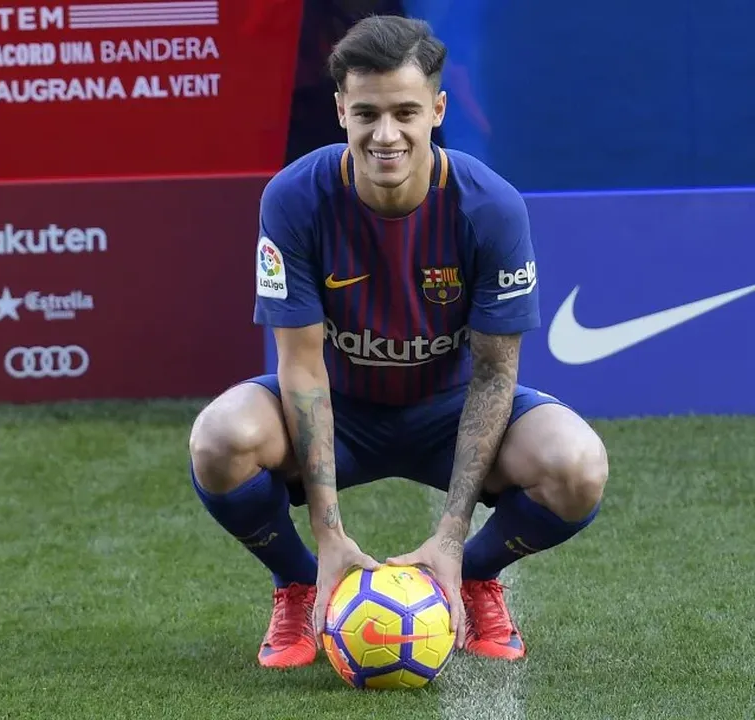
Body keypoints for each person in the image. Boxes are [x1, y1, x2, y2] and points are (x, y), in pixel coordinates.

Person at [188, 15, 608, 669]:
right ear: (340, 111)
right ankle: (301, 583)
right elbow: (300, 369)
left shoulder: (489, 206)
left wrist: (450, 533)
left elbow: (496, 375)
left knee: (578, 467)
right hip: (341, 407)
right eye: (368, 114)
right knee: (219, 441)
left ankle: (469, 575)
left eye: (406, 112)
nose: (386, 134)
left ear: (437, 109)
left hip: (449, 410)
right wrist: (328, 534)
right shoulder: (295, 198)